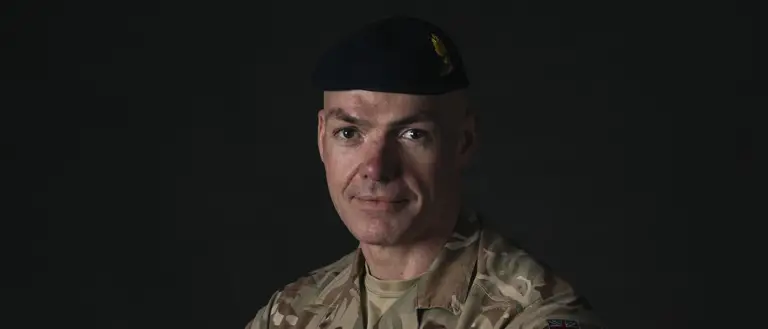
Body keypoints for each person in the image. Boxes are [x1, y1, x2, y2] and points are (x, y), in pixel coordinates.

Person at [245, 16, 602, 329]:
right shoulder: (291, 314)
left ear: (463, 142)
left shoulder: (530, 315)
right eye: (349, 133)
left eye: (412, 134)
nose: (376, 168)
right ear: (322, 138)